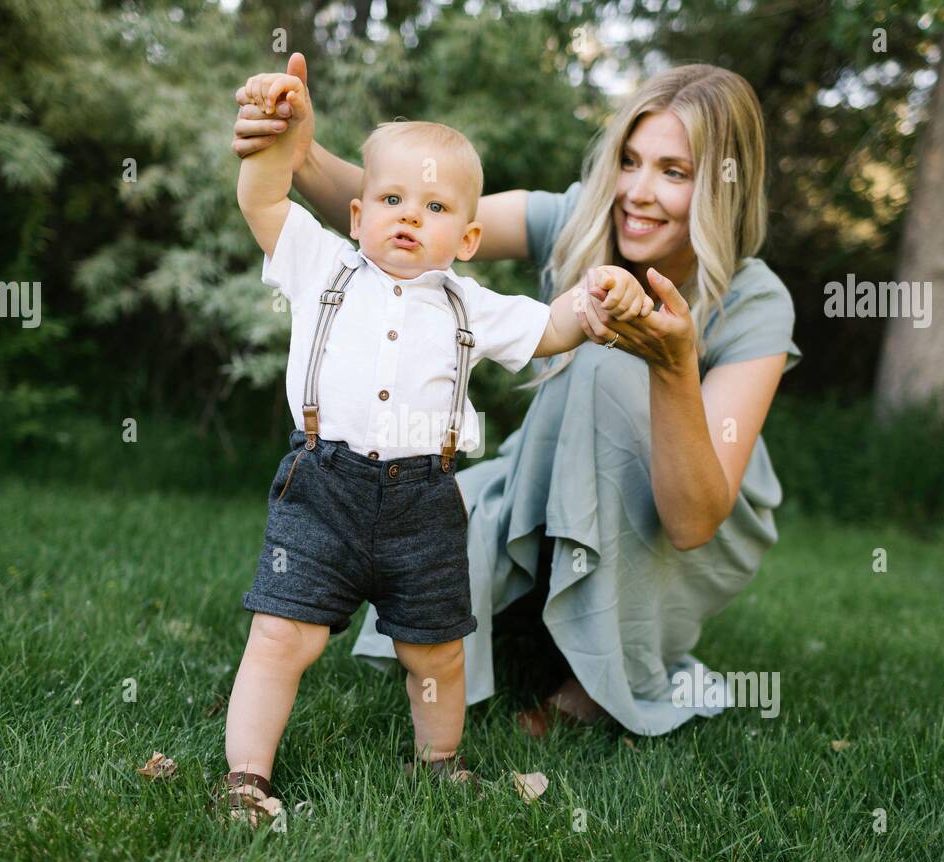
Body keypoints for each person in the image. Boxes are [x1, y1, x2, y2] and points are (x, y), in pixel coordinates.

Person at [233, 54, 802, 741]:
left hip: (693, 514)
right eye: (629, 160)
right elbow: (419, 208)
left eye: (673, 172)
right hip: (556, 469)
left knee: (602, 361)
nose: (637, 191)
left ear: (722, 184)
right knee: (441, 512)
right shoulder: (577, 218)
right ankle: (506, 640)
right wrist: (300, 151)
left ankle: (594, 685)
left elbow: (693, 521)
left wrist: (676, 366)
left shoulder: (756, 300)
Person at [219, 71, 653, 825]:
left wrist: (592, 303)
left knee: (437, 650)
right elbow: (261, 198)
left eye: (435, 206)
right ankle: (247, 778)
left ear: (469, 237)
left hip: (424, 504)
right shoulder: (324, 266)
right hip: (321, 489)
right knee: (281, 632)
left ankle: (440, 764)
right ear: (357, 216)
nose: (409, 217)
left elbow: (549, 329)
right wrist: (273, 132)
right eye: (391, 201)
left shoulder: (469, 304)